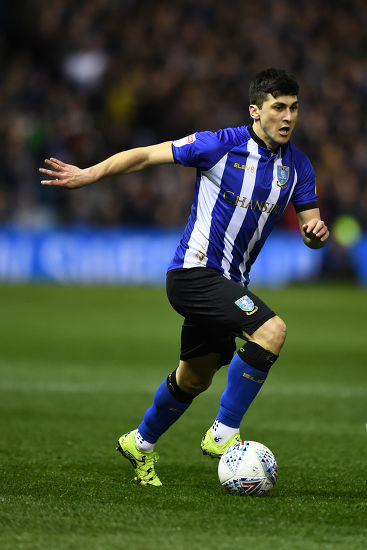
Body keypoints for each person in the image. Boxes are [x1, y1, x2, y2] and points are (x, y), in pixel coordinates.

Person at [39, 68, 329, 487]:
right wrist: (90, 174)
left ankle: (139, 443)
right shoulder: (218, 145)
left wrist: (315, 234)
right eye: (278, 108)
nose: (288, 117)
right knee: (271, 331)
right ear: (255, 110)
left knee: (193, 378)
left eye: (294, 108)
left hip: (229, 284)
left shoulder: (298, 166)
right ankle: (224, 434)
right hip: (193, 273)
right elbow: (143, 155)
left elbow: (312, 229)